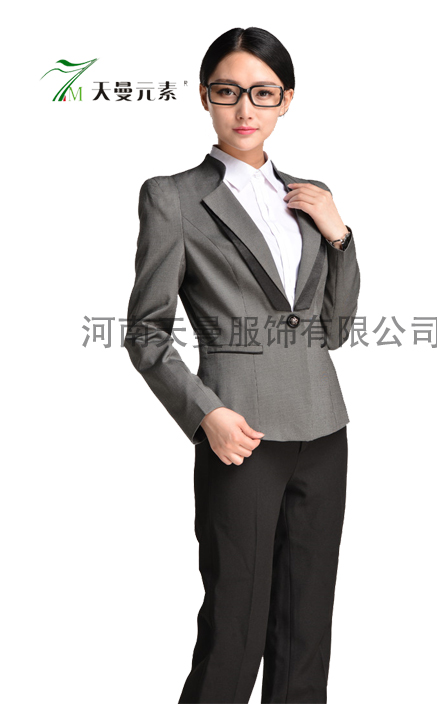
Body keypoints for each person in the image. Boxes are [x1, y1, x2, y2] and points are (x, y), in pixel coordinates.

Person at [124, 26, 361, 704]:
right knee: (235, 626)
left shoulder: (312, 195)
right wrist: (206, 414)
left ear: (287, 99)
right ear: (206, 97)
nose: (245, 108)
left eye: (263, 92)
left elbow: (334, 330)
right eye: (228, 92)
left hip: (324, 429)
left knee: (306, 627)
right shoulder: (172, 197)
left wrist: (341, 238)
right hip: (241, 433)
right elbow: (145, 331)